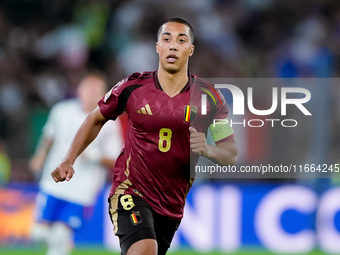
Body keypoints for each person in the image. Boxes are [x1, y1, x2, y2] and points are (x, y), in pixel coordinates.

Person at [51, 18, 238, 255]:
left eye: (181, 40)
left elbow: (230, 153)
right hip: (130, 190)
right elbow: (95, 118)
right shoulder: (132, 87)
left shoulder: (210, 97)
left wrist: (209, 150)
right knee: (144, 251)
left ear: (191, 49)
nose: (173, 45)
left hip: (171, 202)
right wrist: (69, 159)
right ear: (157, 46)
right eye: (166, 39)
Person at [29, 71, 123, 255]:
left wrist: (96, 156)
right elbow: (49, 137)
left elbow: (117, 159)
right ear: (79, 89)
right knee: (38, 234)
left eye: (97, 89)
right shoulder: (61, 111)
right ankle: (62, 244)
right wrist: (39, 157)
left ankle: (61, 244)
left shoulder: (110, 122)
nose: (91, 92)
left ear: (104, 94)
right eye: (88, 87)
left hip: (82, 191)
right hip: (53, 184)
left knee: (60, 235)